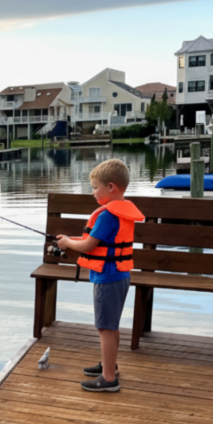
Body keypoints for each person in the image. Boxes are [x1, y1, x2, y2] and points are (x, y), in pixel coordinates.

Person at [55, 159, 144, 392]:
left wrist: (67, 242)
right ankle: (110, 365)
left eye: (95, 187)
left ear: (111, 187)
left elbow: (88, 246)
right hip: (121, 275)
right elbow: (95, 243)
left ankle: (108, 379)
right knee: (111, 326)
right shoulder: (121, 211)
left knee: (104, 327)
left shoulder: (106, 216)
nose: (93, 193)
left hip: (107, 278)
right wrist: (71, 241)